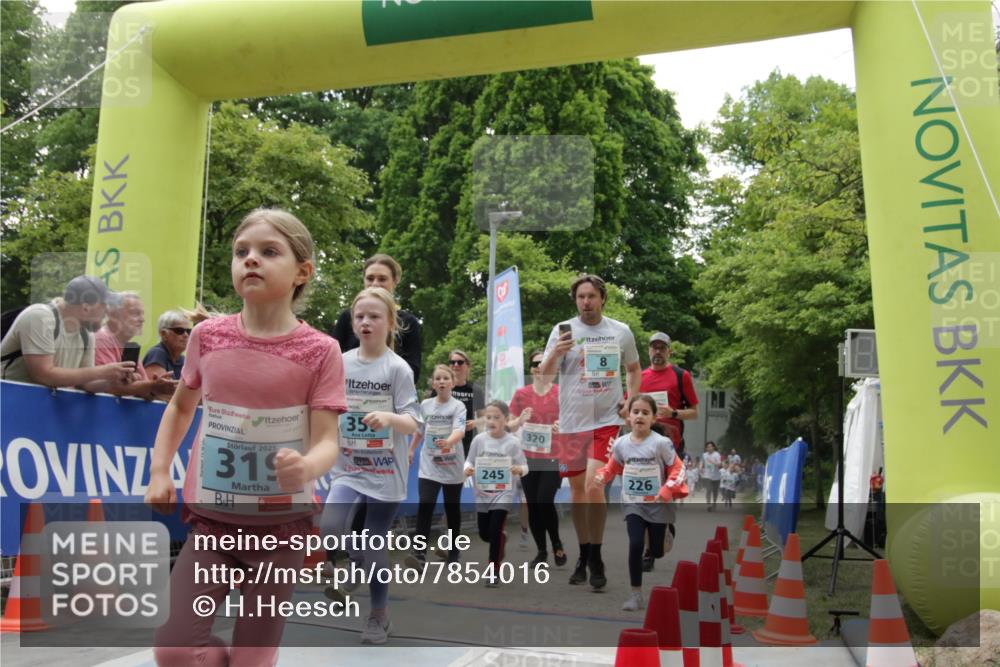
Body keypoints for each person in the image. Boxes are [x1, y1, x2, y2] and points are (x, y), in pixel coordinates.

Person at [144, 208, 345, 667]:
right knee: (173, 650)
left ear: (302, 272)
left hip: (281, 528)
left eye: (268, 251)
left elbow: (328, 440)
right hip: (212, 523)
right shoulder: (207, 337)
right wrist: (160, 470)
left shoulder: (321, 350)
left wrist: (307, 466)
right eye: (241, 252)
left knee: (253, 658)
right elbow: (179, 406)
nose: (250, 260)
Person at [320, 286, 421, 644]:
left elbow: (414, 422)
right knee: (330, 527)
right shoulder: (341, 362)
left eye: (374, 316)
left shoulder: (398, 368)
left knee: (375, 543)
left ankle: (379, 615)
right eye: (360, 316)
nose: (365, 322)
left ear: (390, 322)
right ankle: (356, 562)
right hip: (348, 466)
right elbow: (326, 404)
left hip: (385, 470)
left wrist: (389, 418)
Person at [540, 274, 641, 590]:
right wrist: (556, 352)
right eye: (581, 297)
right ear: (575, 300)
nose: (586, 302)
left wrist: (631, 400)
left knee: (595, 485)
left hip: (606, 420)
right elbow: (543, 379)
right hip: (571, 423)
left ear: (602, 298)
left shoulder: (620, 332)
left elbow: (634, 369)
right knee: (578, 492)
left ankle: (596, 555)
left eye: (591, 296)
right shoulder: (561, 331)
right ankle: (584, 555)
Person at [590, 394, 687, 611]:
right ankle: (636, 594)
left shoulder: (661, 443)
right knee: (635, 545)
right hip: (633, 502)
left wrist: (666, 489)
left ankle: (666, 531)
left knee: (656, 551)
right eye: (635, 412)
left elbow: (678, 469)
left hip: (658, 503)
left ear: (653, 419)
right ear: (628, 418)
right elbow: (612, 467)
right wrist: (602, 477)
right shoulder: (622, 444)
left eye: (645, 412)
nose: (640, 416)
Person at [1, 274, 135, 390]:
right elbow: (43, 375)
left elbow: (87, 383)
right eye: (104, 305)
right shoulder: (40, 317)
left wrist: (113, 378)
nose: (107, 312)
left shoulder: (86, 335)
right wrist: (101, 372)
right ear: (86, 307)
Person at [509, 349, 567, 568]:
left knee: (544, 500)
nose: (540, 367)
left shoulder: (560, 393)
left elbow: (572, 423)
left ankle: (556, 542)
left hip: (553, 457)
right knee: (532, 505)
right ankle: (542, 551)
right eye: (535, 364)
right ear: (531, 369)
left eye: (544, 363)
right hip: (527, 458)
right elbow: (510, 424)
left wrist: (560, 426)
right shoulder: (521, 394)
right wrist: (520, 420)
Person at [406, 364, 467, 567]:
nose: (441, 381)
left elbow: (460, 430)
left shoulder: (458, 406)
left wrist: (449, 441)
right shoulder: (425, 405)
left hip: (452, 464)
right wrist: (411, 449)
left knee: (452, 509)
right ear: (433, 383)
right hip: (429, 464)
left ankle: (454, 552)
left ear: (453, 382)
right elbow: (420, 429)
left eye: (445, 378)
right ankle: (419, 554)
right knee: (426, 504)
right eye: (437, 378)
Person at [464, 400, 528, 587]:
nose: (491, 421)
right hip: (482, 493)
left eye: (496, 417)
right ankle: (501, 538)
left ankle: (493, 570)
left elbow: (525, 466)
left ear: (506, 419)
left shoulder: (513, 443)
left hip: (503, 493)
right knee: (485, 534)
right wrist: (467, 469)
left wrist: (519, 469)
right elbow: (469, 461)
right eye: (488, 417)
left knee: (495, 529)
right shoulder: (479, 440)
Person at [330, 253, 422, 382]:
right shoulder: (347, 317)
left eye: (382, 279)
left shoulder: (408, 322)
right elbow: (331, 361)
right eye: (370, 278)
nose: (375, 283)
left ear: (395, 281)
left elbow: (413, 372)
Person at [94, 292, 178, 400]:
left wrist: (157, 386)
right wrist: (153, 386)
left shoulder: (128, 346)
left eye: (142, 314)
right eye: (135, 313)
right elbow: (108, 387)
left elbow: (144, 390)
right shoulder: (102, 339)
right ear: (113, 315)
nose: (142, 319)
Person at [639, 332, 699, 462]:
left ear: (669, 352)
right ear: (649, 351)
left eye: (662, 348)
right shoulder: (639, 377)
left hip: (672, 444)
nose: (658, 351)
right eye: (654, 348)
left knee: (671, 482)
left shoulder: (681, 375)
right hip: (642, 444)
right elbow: (628, 410)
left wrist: (673, 413)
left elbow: (694, 413)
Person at [436, 349, 484, 459]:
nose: (456, 365)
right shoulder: (441, 385)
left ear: (467, 365)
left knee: (463, 475)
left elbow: (485, 417)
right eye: (452, 362)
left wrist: (474, 423)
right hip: (443, 437)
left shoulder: (475, 390)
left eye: (460, 362)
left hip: (467, 442)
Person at [143, 310, 192, 380]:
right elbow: (165, 389)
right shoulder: (157, 353)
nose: (186, 335)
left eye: (188, 331)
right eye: (179, 330)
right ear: (163, 334)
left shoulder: (181, 359)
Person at [701, 441, 722, 511]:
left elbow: (719, 464)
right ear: (706, 448)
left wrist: (712, 462)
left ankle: (714, 503)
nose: (709, 448)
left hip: (716, 476)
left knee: (715, 491)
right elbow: (702, 462)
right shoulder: (704, 455)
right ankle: (709, 504)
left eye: (710, 446)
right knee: (708, 490)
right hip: (707, 476)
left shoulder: (717, 454)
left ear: (713, 447)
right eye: (708, 447)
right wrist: (700, 467)